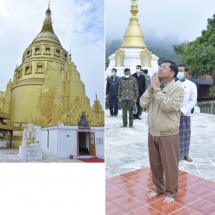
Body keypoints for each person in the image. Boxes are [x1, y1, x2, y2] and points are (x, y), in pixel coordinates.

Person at [140, 60, 184, 204]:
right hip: (152, 131)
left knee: (170, 164)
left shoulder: (178, 89)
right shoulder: (155, 87)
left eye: (164, 67)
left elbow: (168, 106)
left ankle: (171, 192)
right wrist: (151, 89)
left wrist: (158, 90)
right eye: (160, 67)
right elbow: (142, 103)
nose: (160, 69)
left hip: (168, 133)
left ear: (172, 73)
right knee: (155, 163)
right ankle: (159, 187)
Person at [176, 64, 197, 162]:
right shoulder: (175, 83)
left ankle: (185, 154)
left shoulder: (191, 85)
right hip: (174, 114)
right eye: (178, 70)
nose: (179, 72)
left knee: (185, 135)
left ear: (186, 73)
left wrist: (183, 111)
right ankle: (175, 154)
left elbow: (193, 101)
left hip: (185, 114)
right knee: (174, 135)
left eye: (181, 70)